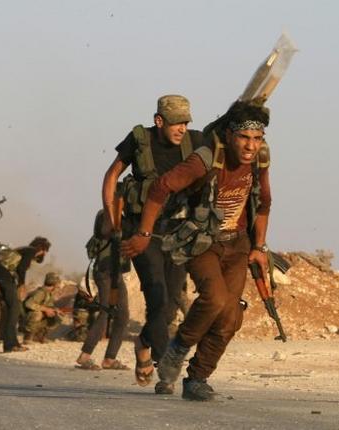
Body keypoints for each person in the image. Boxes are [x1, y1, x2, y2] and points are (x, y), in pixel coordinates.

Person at [122, 100, 273, 400]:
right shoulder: (206, 158)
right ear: (229, 135)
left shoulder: (260, 159)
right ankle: (178, 349)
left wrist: (259, 246)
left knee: (231, 318)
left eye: (257, 139)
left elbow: (265, 202)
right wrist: (144, 232)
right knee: (214, 299)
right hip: (202, 242)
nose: (250, 146)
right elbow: (160, 188)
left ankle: (197, 379)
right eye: (244, 137)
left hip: (239, 243)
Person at [102, 94, 203, 387]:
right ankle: (166, 369)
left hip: (176, 231)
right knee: (156, 298)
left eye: (185, 122)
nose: (181, 128)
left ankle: (144, 343)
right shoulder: (140, 139)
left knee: (170, 304)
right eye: (175, 122)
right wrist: (112, 221)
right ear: (159, 121)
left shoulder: (194, 141)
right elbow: (112, 176)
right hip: (140, 232)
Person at [75, 210, 130, 371]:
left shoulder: (123, 215)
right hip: (105, 271)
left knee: (122, 315)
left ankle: (110, 358)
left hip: (116, 271)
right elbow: (104, 231)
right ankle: (84, 356)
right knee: (105, 312)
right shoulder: (105, 214)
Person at [0, 237, 51, 352]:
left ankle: (10, 342)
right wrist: (22, 286)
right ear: (42, 248)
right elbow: (21, 269)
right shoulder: (31, 250)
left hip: (1, 275)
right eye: (46, 251)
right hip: (4, 276)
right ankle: (10, 344)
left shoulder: (21, 250)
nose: (44, 254)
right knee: (14, 308)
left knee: (11, 308)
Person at [22, 272, 62, 344]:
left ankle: (40, 336)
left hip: (33, 317)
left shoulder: (49, 293)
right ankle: (27, 338)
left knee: (55, 315)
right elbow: (28, 304)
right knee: (37, 314)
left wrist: (55, 310)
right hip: (26, 318)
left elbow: (49, 306)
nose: (58, 285)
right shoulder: (41, 292)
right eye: (58, 283)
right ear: (54, 283)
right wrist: (46, 310)